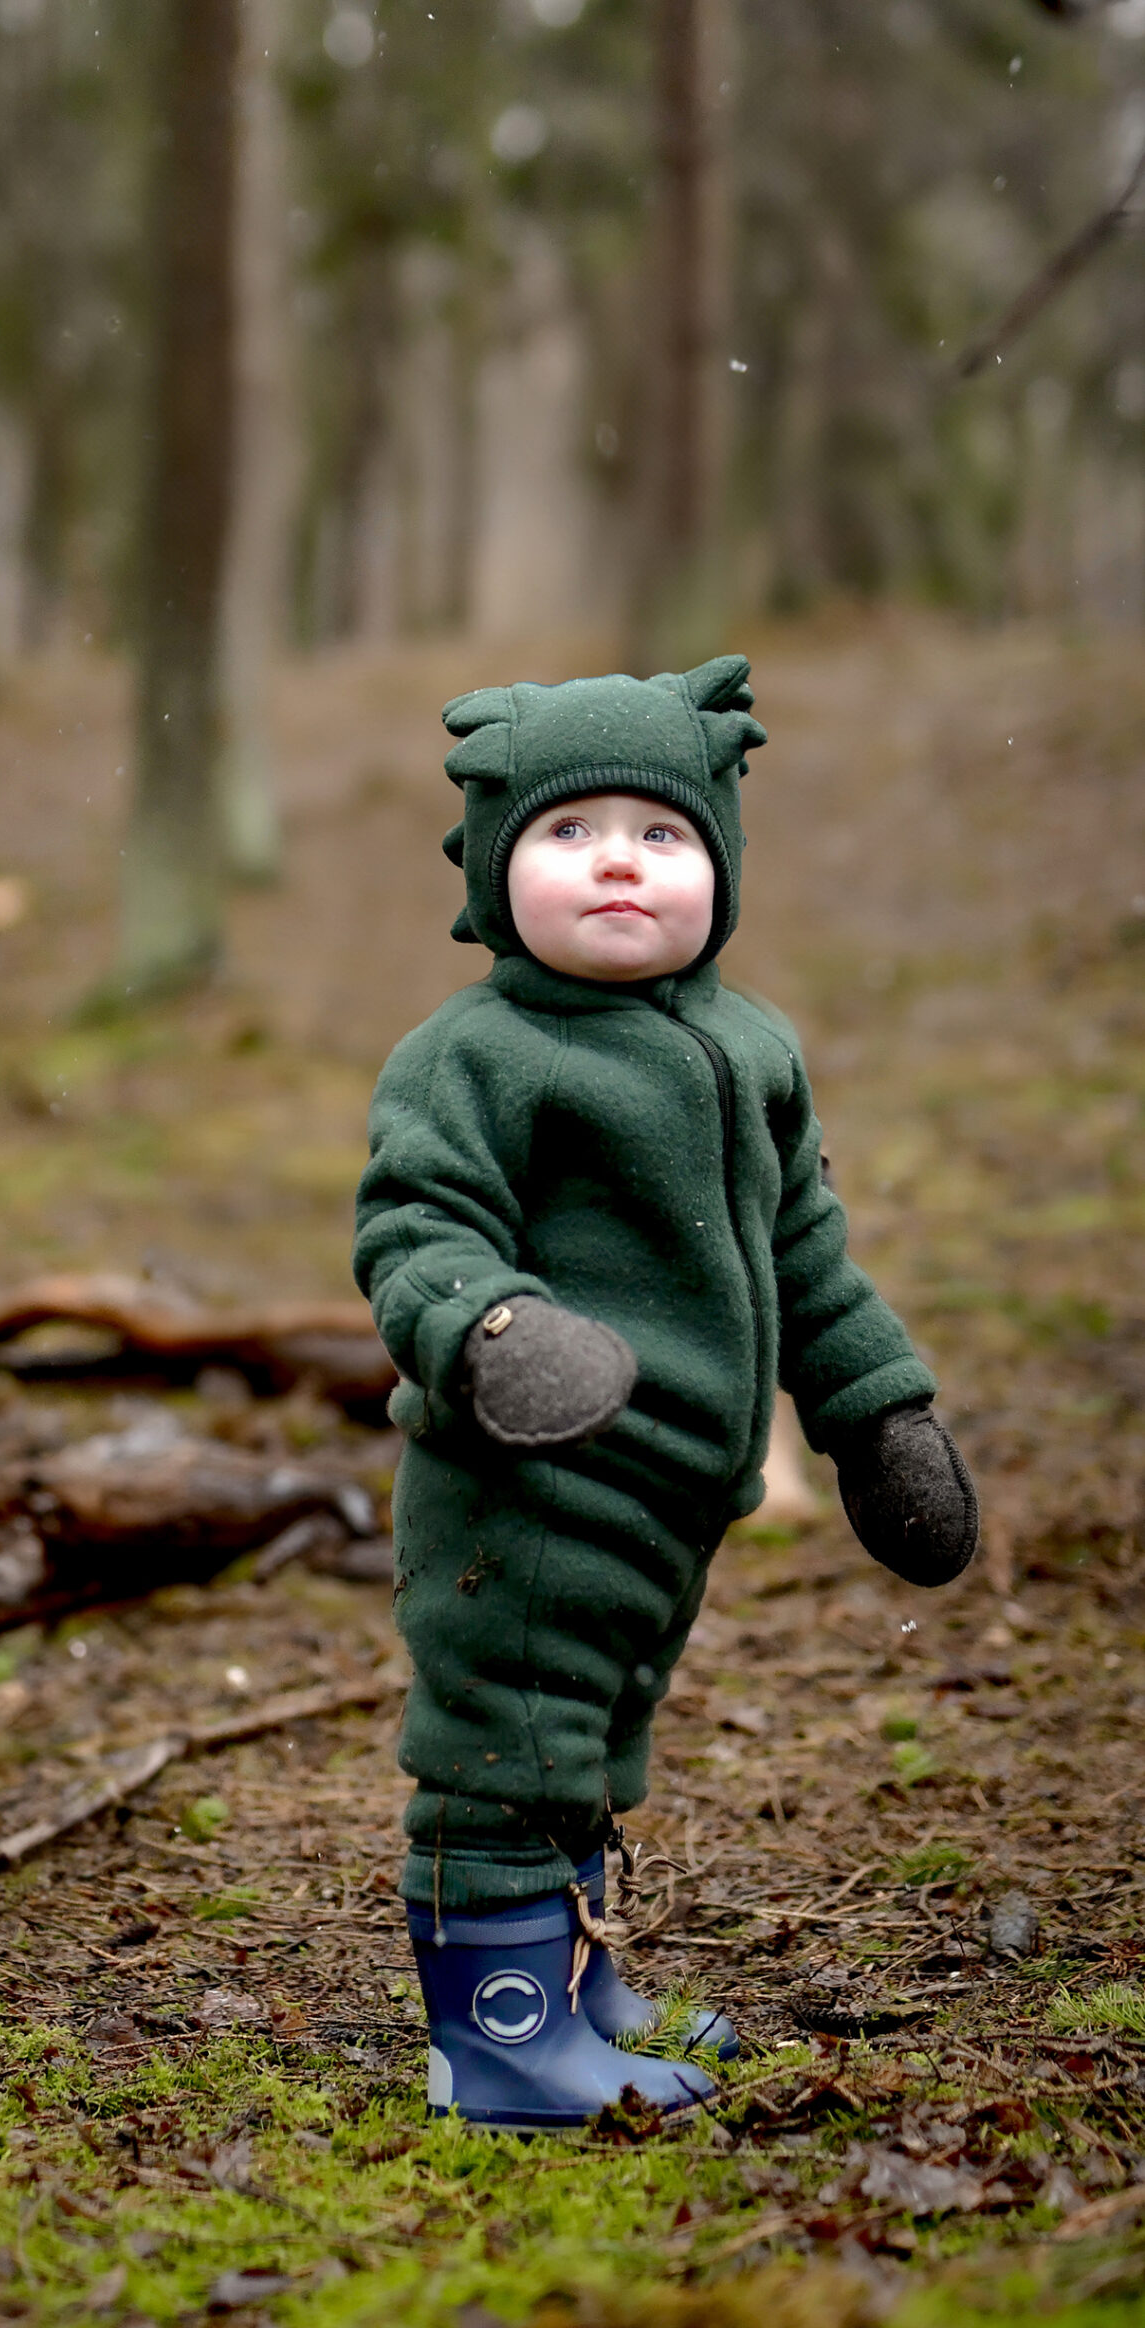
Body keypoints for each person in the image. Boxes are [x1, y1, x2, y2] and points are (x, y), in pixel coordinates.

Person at [353, 657, 978, 2129]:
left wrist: (878, 1418)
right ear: (494, 870)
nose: (619, 859)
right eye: (569, 832)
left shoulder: (752, 1048)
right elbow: (415, 1233)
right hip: (525, 1478)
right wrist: (495, 1332)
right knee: (506, 1743)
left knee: (594, 1735)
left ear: (724, 867)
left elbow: (807, 1256)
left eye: (664, 831)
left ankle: (572, 1981)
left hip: (675, 1494)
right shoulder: (477, 1056)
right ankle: (499, 2040)